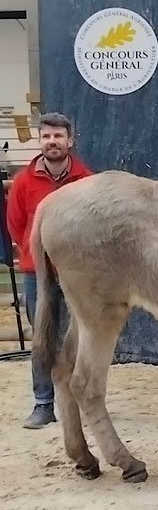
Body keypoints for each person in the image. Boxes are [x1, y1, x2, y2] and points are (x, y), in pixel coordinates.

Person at [6, 112, 93, 428]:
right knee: (43, 335)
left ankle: (79, 400)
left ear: (70, 141)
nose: (52, 141)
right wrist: (35, 256)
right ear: (40, 140)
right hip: (37, 273)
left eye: (58, 136)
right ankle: (43, 404)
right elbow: (16, 225)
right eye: (46, 136)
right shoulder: (23, 182)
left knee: (80, 336)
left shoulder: (86, 181)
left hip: (76, 273)